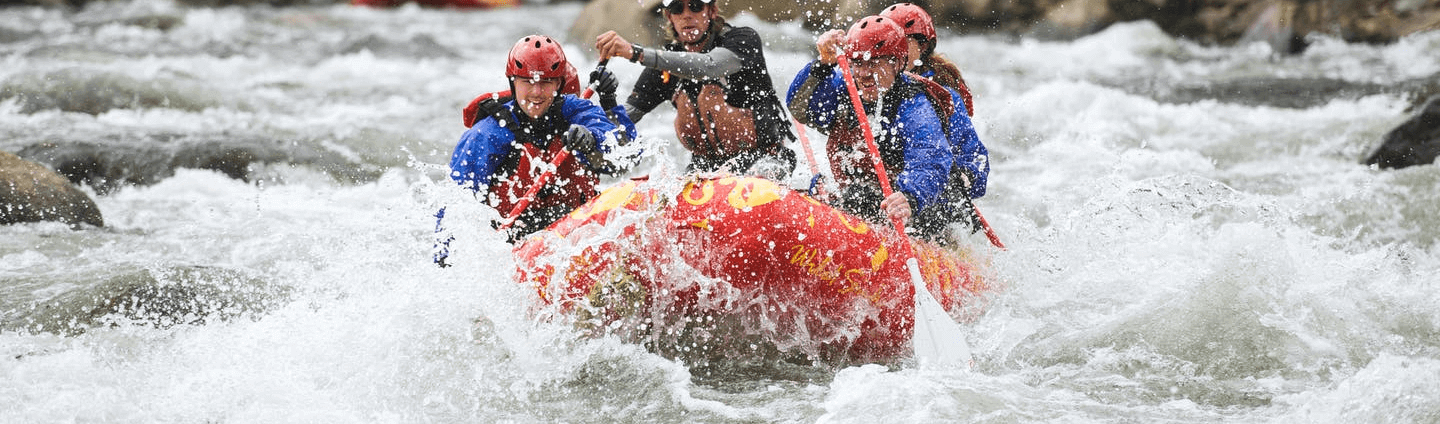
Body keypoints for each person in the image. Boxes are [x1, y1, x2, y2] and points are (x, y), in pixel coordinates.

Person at [786, 16, 984, 242]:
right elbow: (800, 109)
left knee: (858, 197)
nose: (863, 73)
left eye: (873, 63)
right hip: (866, 198)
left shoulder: (916, 106)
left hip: (923, 210)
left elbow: (930, 159)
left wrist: (909, 197)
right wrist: (822, 64)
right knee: (835, 192)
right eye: (858, 63)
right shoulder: (846, 87)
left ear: (898, 62)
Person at [441, 35, 637, 254]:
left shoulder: (575, 111)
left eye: (545, 82)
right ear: (512, 82)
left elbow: (626, 155)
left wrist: (594, 136)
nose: (536, 92)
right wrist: (446, 262)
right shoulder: (486, 136)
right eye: (527, 81)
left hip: (579, 235)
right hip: (515, 244)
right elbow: (453, 209)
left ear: (558, 84)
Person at [593, 0, 796, 179]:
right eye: (677, 8)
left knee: (762, 174)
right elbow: (618, 130)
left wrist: (636, 53)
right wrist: (606, 100)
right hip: (705, 169)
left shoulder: (742, 40)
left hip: (766, 161)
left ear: (712, 11)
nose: (687, 14)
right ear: (669, 17)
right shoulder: (663, 68)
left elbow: (708, 66)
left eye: (696, 6)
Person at [879, 2, 975, 117]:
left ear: (923, 46)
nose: (891, 54)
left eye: (901, 44)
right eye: (886, 46)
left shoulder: (945, 94)